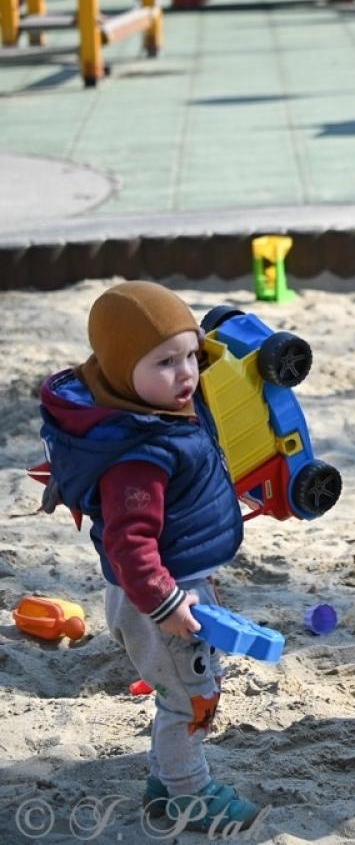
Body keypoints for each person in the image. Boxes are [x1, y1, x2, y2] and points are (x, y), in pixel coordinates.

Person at [36, 282, 258, 829]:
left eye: (191, 356)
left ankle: (164, 783)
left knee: (184, 689)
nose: (186, 374)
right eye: (165, 362)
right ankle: (189, 795)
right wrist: (166, 603)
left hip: (176, 583)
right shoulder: (137, 453)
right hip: (159, 596)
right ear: (120, 370)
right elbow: (129, 543)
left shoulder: (150, 407)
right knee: (192, 700)